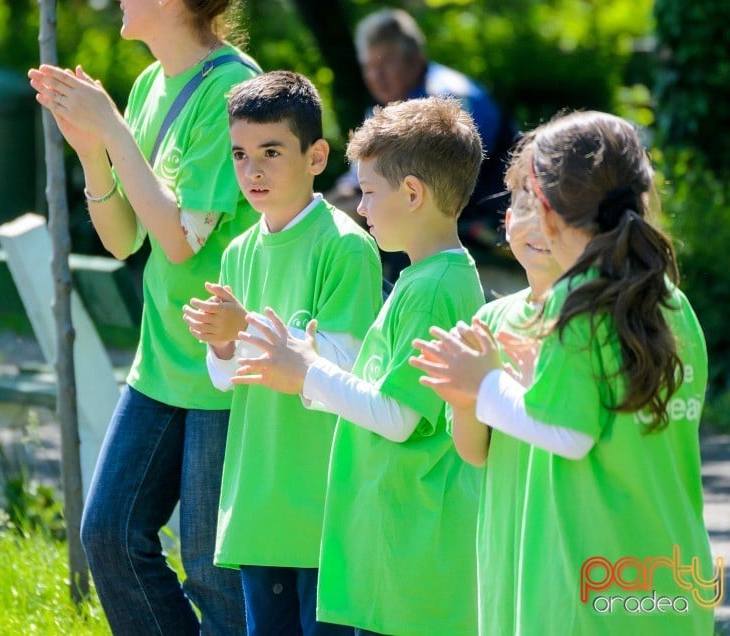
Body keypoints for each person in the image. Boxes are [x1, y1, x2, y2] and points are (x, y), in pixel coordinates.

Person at [411, 111, 718, 634]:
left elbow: (568, 433)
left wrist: (483, 382)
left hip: (588, 589)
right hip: (665, 581)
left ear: (547, 207)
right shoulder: (668, 301)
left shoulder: (581, 304)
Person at [27, 2, 259, 633]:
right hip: (158, 359)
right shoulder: (147, 85)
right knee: (108, 532)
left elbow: (182, 239)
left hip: (223, 365)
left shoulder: (233, 89)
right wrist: (92, 151)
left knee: (214, 574)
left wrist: (113, 129)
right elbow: (124, 238)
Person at [231, 96, 485, 634]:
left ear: (412, 193)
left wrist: (307, 371)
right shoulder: (425, 279)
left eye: (369, 192)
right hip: (394, 539)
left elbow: (397, 416)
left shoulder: (434, 288)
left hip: (411, 547)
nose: (361, 207)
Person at [182, 70, 382, 636]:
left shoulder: (345, 246)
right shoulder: (239, 251)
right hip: (258, 504)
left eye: (271, 151)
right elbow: (226, 379)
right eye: (241, 154)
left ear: (317, 155)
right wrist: (221, 341)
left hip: (325, 508)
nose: (254, 170)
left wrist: (242, 325)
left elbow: (343, 366)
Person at [441, 139, 565, 634]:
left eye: (552, 206)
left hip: (567, 542)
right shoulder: (490, 319)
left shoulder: (591, 316)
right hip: (506, 542)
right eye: (521, 203)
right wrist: (466, 401)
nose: (533, 223)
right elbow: (475, 452)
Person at [333, 8, 516, 280]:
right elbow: (355, 182)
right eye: (368, 67)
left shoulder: (450, 98)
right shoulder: (384, 107)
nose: (376, 76)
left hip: (485, 219)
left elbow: (442, 180)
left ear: (415, 58)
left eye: (386, 63)